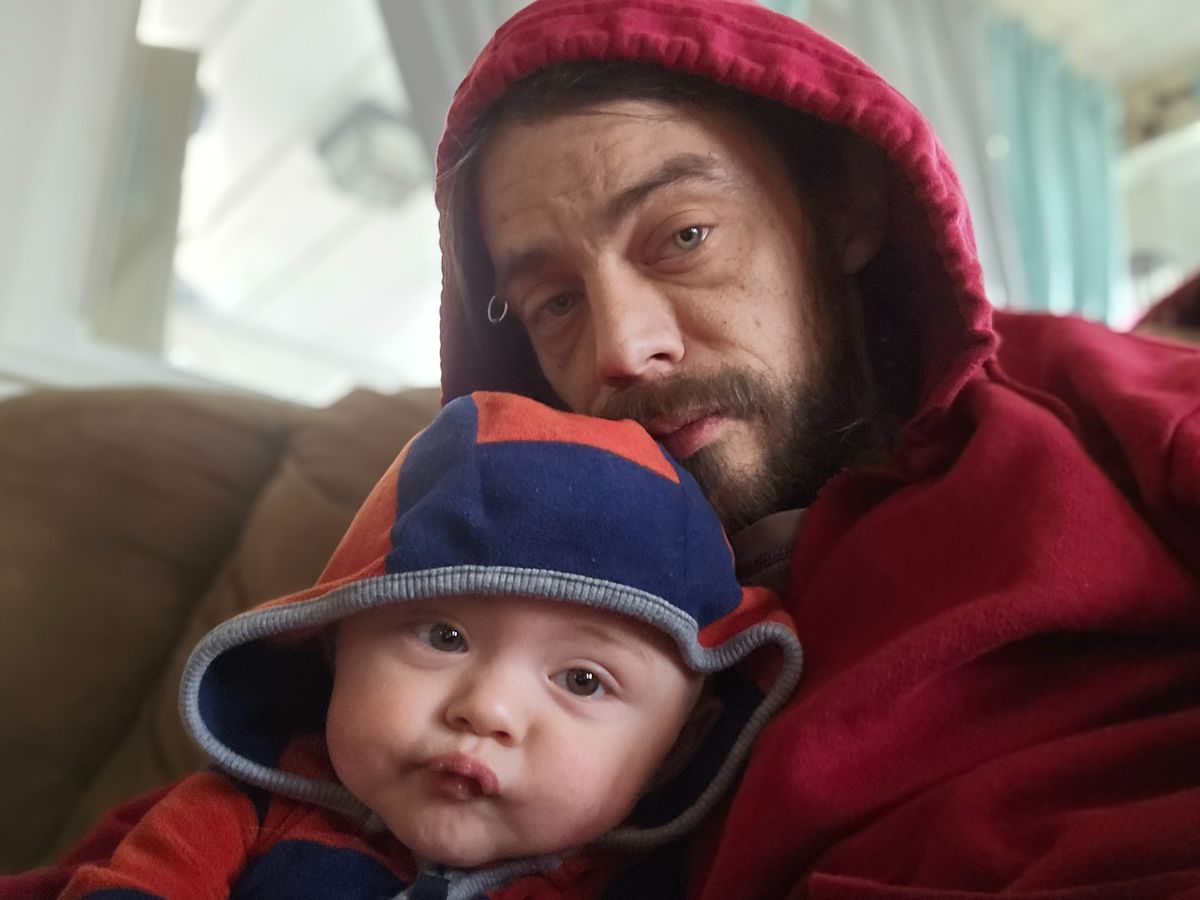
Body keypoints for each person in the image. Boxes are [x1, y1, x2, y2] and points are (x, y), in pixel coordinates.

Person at [10, 0, 1200, 898]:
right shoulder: (507, 596)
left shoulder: (1079, 397)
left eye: (683, 236)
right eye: (553, 304)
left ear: (841, 210)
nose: (621, 350)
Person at [55, 391, 802, 900]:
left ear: (677, 748)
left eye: (582, 680)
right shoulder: (236, 814)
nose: (487, 710)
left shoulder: (643, 884)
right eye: (444, 636)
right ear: (336, 644)